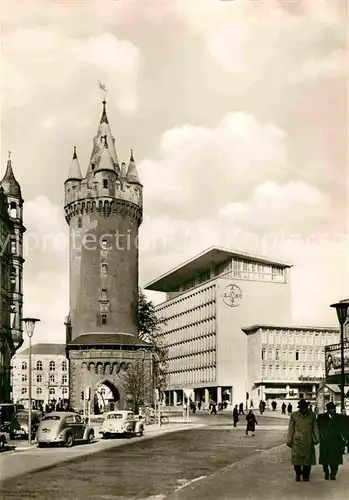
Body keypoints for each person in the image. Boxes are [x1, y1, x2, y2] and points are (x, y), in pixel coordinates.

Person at [286, 399, 319, 482]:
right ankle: (298, 473)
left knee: (307, 461)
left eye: (305, 407)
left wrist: (317, 438)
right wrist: (289, 440)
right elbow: (291, 429)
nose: (304, 409)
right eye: (302, 407)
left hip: (308, 441)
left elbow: (315, 427)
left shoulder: (312, 415)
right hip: (297, 441)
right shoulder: (294, 415)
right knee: (297, 460)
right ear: (299, 408)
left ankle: (306, 476)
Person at [317, 402, 345, 480]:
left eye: (334, 409)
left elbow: (343, 428)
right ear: (328, 410)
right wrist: (320, 435)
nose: (334, 410)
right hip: (325, 441)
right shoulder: (321, 417)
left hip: (336, 441)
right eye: (332, 409)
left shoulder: (339, 418)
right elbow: (317, 428)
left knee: (335, 459)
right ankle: (326, 472)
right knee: (325, 460)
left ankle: (333, 474)